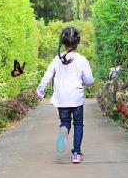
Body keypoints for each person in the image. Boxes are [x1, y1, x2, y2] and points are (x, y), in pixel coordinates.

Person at [37, 26, 94, 163]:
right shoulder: (82, 60)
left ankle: (63, 133)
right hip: (76, 98)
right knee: (78, 124)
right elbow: (89, 80)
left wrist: (40, 91)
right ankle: (76, 153)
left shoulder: (57, 59)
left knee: (65, 122)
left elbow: (47, 76)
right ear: (77, 42)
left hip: (61, 99)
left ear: (62, 42)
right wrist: (84, 81)